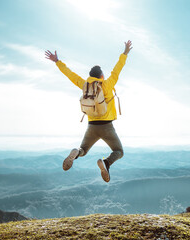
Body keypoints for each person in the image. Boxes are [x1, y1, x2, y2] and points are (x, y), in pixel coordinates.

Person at [45, 40, 132, 182]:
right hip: (107, 127)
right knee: (119, 151)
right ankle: (106, 163)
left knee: (83, 150)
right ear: (101, 76)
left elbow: (70, 74)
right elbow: (117, 69)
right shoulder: (107, 85)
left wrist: (57, 61)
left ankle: (76, 152)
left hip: (91, 126)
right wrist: (125, 53)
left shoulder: (84, 85)